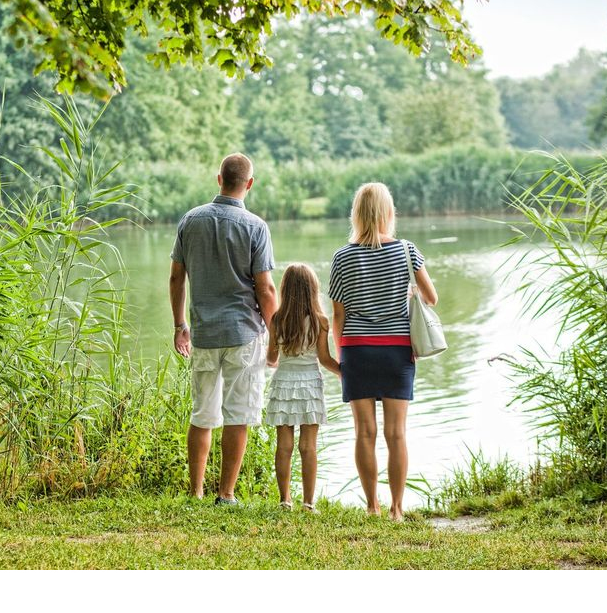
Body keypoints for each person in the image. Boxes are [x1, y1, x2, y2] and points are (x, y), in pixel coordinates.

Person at [169, 153, 277, 506]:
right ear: (249, 184)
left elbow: (176, 278)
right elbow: (266, 289)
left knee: (202, 415)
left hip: (203, 333)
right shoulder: (256, 227)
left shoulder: (190, 220)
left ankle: (196, 491)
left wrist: (180, 325)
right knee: (238, 415)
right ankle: (226, 494)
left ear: (219, 179)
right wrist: (275, 334)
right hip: (244, 334)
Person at [328, 182, 438, 521]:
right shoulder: (407, 250)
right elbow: (431, 298)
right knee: (396, 433)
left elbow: (338, 316)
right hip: (397, 351)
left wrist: (342, 356)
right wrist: (406, 295)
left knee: (364, 432)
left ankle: (372, 506)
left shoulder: (342, 257)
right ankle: (397, 509)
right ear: (388, 212)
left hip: (357, 351)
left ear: (357, 214)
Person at [265, 263, 341, 512]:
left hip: (283, 384)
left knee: (284, 446)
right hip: (310, 384)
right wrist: (344, 372)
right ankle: (308, 503)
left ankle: (285, 500)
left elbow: (272, 358)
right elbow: (325, 359)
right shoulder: (320, 321)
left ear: (285, 289)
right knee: (308, 447)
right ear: (312, 289)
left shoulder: (277, 319)